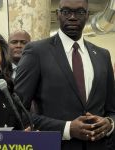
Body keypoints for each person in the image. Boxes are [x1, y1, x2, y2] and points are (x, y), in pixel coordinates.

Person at [14, 0, 115, 150]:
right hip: (56, 145)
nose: (73, 17)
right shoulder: (36, 52)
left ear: (87, 15)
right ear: (58, 14)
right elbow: (17, 111)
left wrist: (109, 123)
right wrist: (67, 128)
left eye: (80, 12)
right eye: (66, 11)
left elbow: (112, 110)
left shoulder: (102, 55)